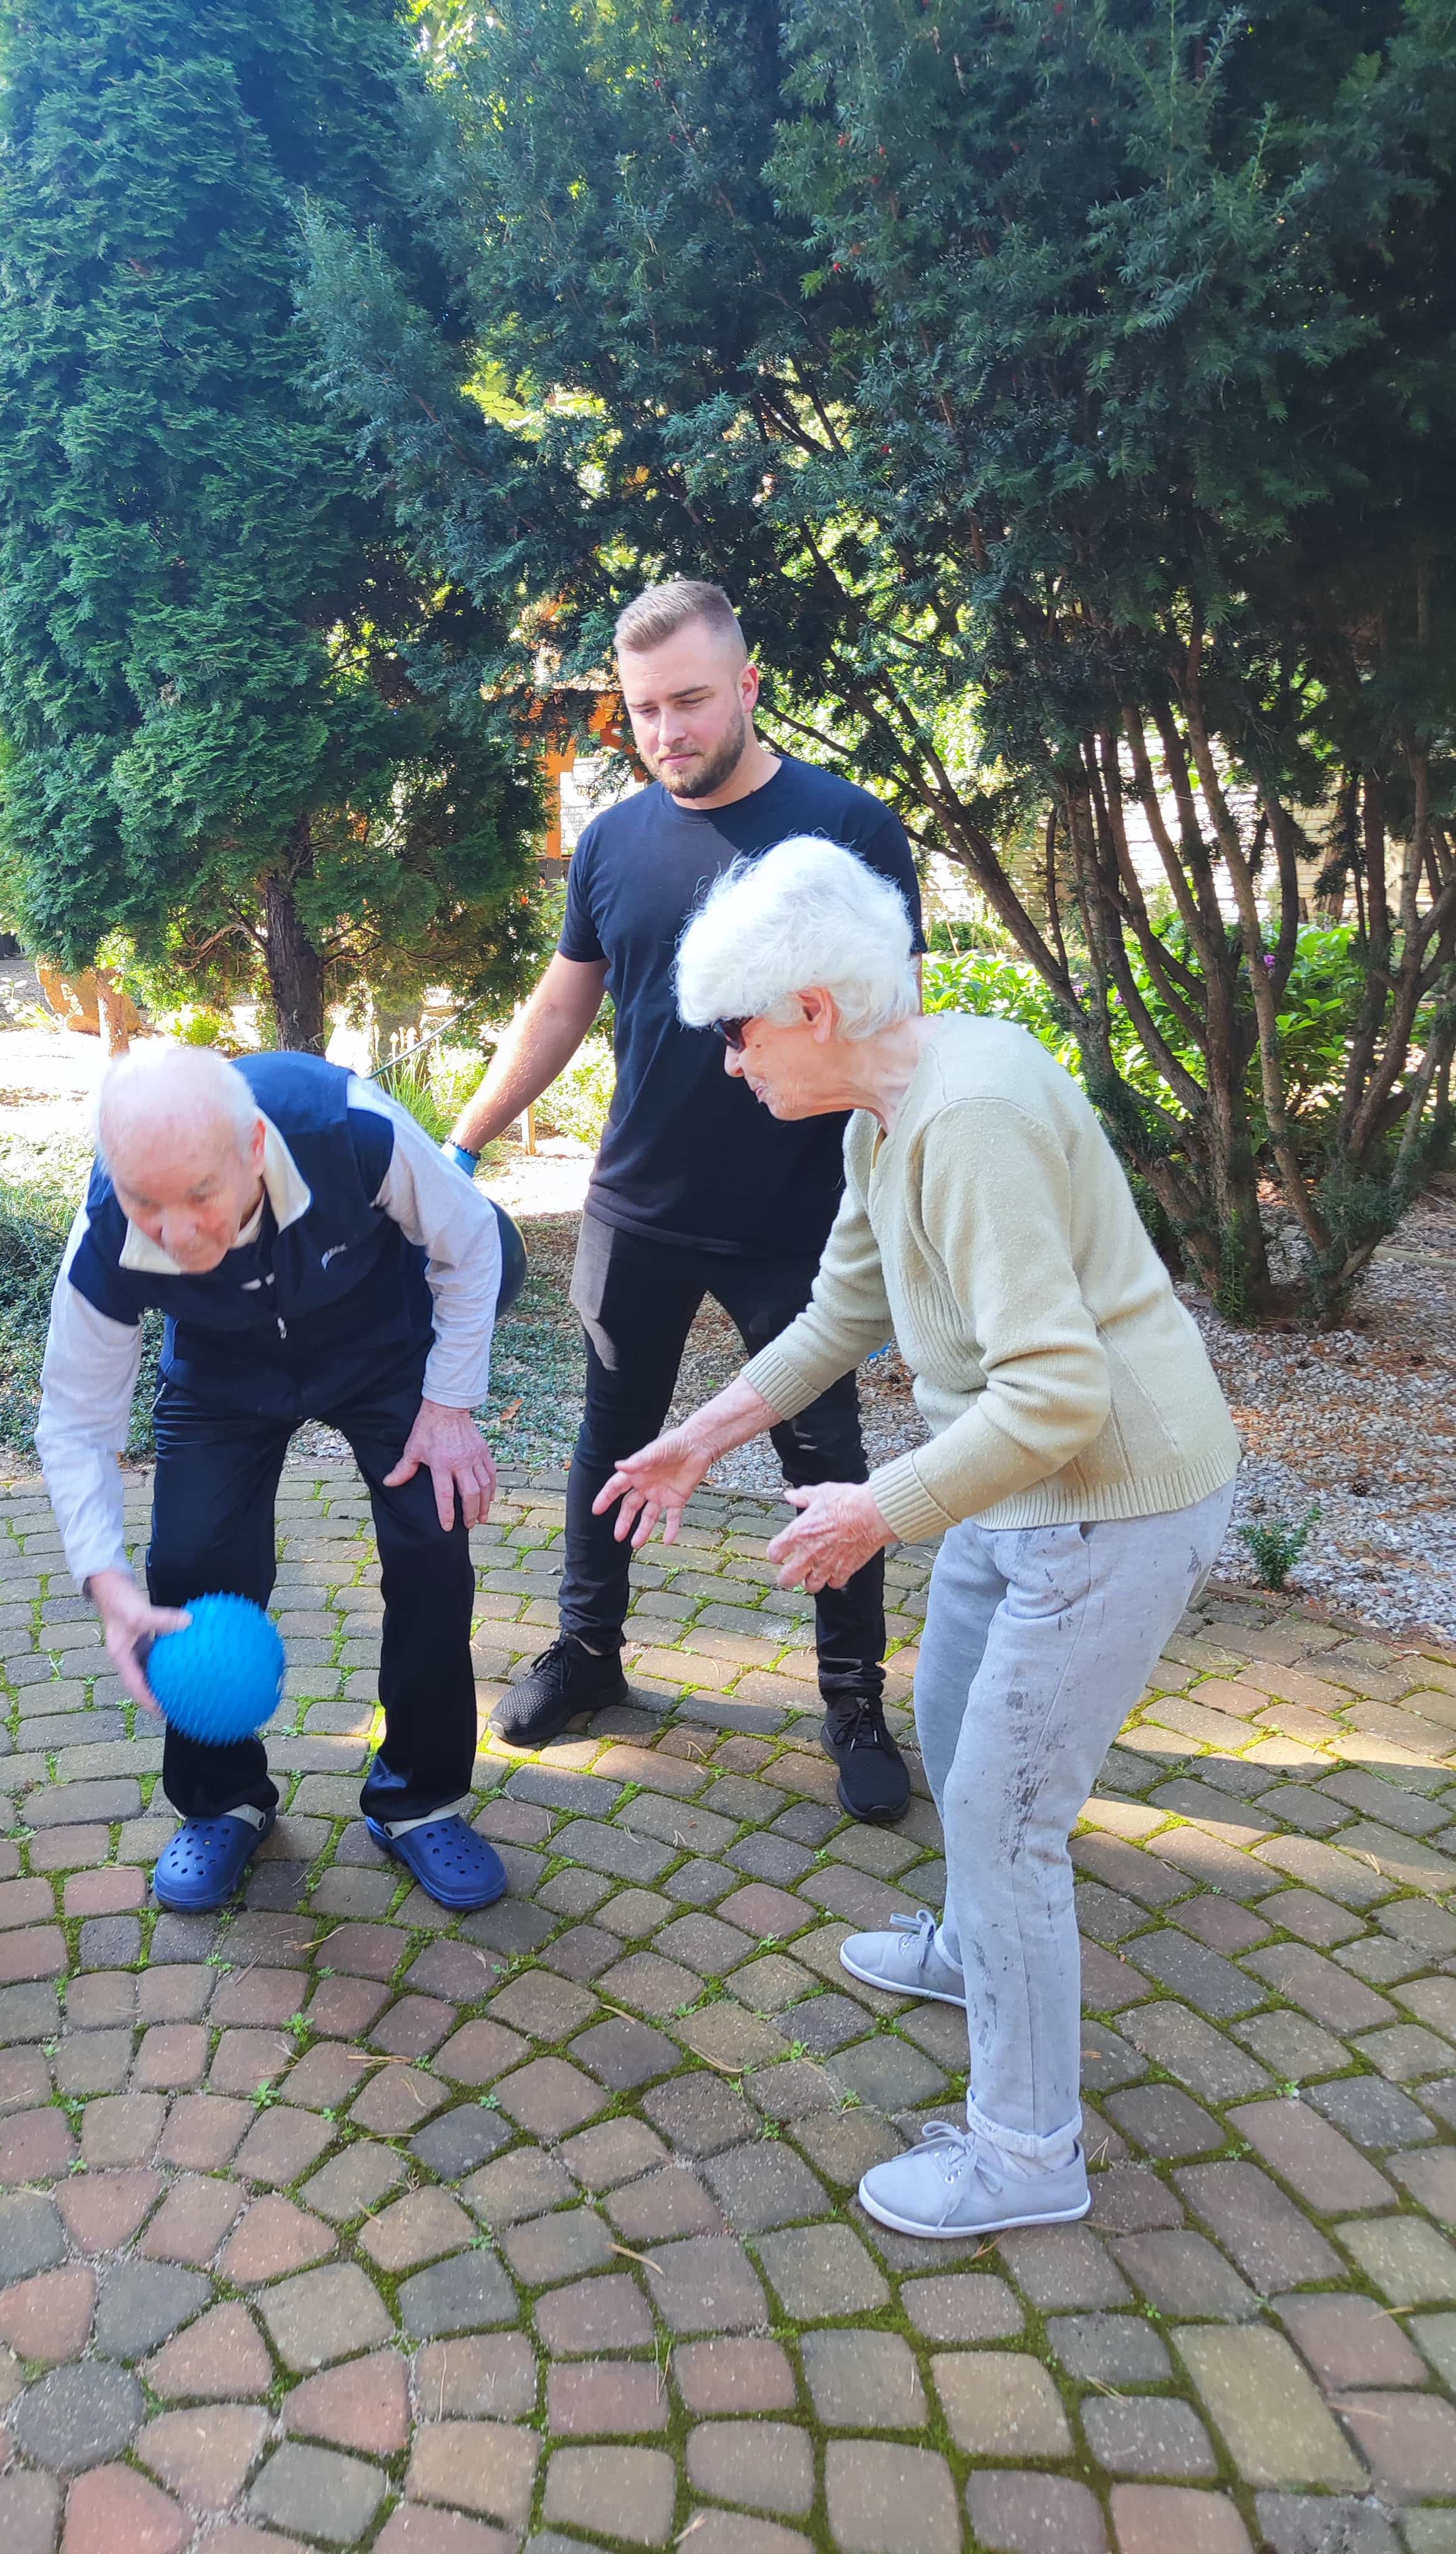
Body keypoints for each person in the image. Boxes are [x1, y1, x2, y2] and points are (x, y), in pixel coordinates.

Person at [595, 836, 1239, 2236]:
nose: (731, 1062)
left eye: (742, 1032)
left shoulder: (967, 1118)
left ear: (816, 1011)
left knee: (1009, 1813)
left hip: (1117, 1501)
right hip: (1028, 1488)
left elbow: (1061, 1391)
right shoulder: (885, 1112)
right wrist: (701, 1436)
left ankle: (1025, 2153)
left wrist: (878, 1510)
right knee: (947, 1716)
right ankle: (972, 1950)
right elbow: (840, 1311)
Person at [446, 580, 923, 1821]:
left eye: (692, 701)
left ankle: (855, 1701)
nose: (666, 730)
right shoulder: (612, 841)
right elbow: (562, 1004)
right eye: (644, 708)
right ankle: (587, 1651)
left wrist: (920, 1178)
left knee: (822, 1460)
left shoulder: (847, 827)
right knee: (614, 1437)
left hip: (798, 1215)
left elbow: (893, 1022)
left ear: (750, 686)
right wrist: (465, 1138)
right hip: (637, 1203)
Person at [36, 1040, 516, 1914]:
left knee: (432, 1545)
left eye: (199, 1198)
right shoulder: (108, 1229)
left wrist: (449, 1408)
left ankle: (419, 1799)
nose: (175, 1234)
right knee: (187, 1562)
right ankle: (223, 1802)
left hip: (377, 1342)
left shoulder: (348, 1128)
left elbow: (472, 1241)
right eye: (147, 1202)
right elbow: (75, 1422)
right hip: (220, 1372)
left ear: (254, 1149)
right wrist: (103, 1582)